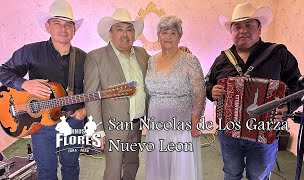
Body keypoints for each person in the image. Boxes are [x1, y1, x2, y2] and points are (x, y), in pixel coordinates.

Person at [205, 2, 301, 180]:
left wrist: (288, 105)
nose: (243, 30)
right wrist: (212, 91)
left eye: (249, 25)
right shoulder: (222, 59)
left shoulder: (278, 54)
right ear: (232, 32)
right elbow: (207, 84)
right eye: (237, 27)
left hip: (264, 131)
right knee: (231, 174)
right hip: (229, 132)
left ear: (259, 29)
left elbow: (298, 84)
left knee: (258, 176)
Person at [0, 0, 86, 179]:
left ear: (74, 29)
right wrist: (24, 84)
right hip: (40, 123)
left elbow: (93, 88)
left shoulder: (85, 58)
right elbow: (3, 71)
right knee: (46, 170)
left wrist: (84, 110)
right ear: (48, 26)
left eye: (68, 24)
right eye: (57, 23)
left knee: (71, 166)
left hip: (73, 121)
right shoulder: (30, 52)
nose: (63, 29)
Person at [84, 8, 149, 180]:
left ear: (134, 34)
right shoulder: (96, 57)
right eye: (119, 29)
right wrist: (98, 131)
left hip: (137, 124)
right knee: (113, 170)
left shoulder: (143, 55)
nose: (124, 34)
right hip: (113, 127)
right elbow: (91, 97)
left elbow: (158, 72)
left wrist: (181, 52)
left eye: (129, 29)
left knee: (132, 164)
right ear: (110, 33)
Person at [144, 15, 206, 180]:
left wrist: (195, 123)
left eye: (173, 33)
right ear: (158, 36)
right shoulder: (151, 61)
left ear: (180, 36)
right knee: (159, 162)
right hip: (156, 121)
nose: (168, 37)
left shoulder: (190, 60)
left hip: (181, 123)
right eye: (164, 32)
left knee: (179, 165)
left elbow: (199, 93)